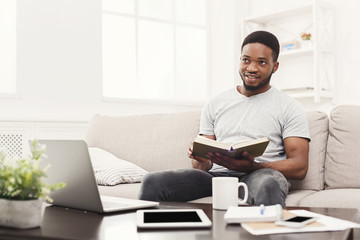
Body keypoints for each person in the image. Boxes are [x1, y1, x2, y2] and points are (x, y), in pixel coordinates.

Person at [138, 30, 310, 207]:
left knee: (268, 185)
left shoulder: (289, 107)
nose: (251, 68)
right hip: (216, 177)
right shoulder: (215, 103)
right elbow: (200, 167)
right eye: (246, 60)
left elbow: (300, 166)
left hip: (259, 175)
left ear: (275, 66)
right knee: (153, 181)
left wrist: (254, 167)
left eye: (261, 62)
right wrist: (201, 158)